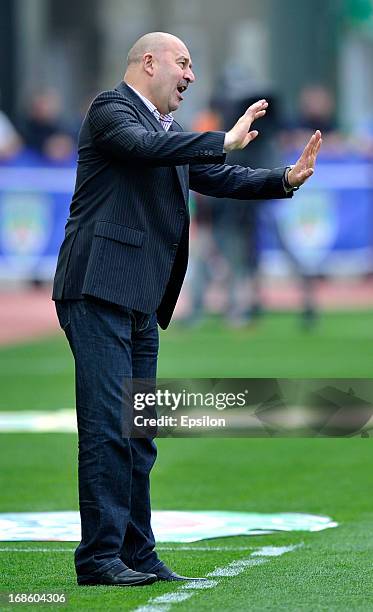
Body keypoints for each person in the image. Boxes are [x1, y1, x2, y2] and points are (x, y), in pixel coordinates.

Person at [52, 32, 322, 587]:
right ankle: (99, 558)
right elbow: (152, 150)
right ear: (147, 63)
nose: (192, 75)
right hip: (98, 288)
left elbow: (214, 176)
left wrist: (284, 179)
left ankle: (137, 552)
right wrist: (221, 138)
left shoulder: (165, 133)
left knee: (138, 429)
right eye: (184, 63)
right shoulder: (111, 110)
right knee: (108, 426)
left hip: (139, 297)